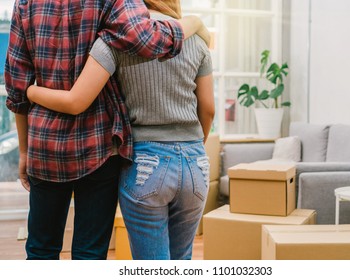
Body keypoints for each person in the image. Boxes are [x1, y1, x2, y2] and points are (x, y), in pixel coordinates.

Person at [5, 0, 209, 260]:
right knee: (90, 253)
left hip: (45, 146)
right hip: (99, 145)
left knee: (40, 250)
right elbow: (148, 39)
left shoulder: (26, 3)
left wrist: (25, 150)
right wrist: (195, 22)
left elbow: (17, 85)